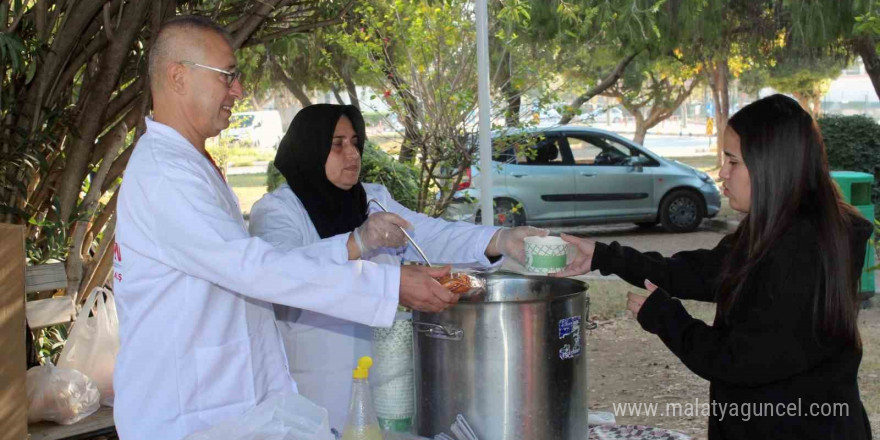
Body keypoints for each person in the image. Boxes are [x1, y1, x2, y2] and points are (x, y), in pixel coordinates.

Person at [113, 17, 457, 440]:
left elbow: (263, 265)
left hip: (224, 402)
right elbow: (255, 269)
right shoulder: (166, 174)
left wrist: (354, 248)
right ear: (178, 77)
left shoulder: (191, 165)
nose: (238, 90)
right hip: (187, 411)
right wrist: (388, 285)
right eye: (228, 76)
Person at [554, 94, 873, 439]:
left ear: (772, 166)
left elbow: (741, 361)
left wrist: (668, 318)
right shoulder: (779, 228)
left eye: (733, 162)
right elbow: (705, 271)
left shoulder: (803, 252)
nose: (722, 173)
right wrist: (606, 257)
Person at [248, 103, 547, 431]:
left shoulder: (372, 200)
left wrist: (501, 239)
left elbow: (429, 234)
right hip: (312, 385)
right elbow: (283, 277)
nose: (352, 154)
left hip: (384, 382)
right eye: (337, 144)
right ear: (310, 147)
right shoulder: (278, 212)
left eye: (355, 142)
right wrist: (356, 242)